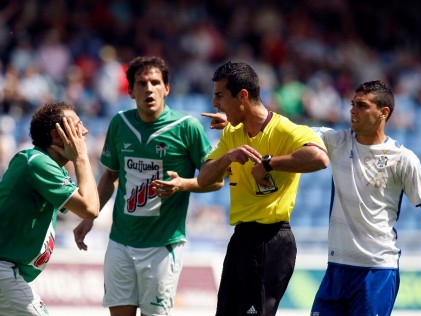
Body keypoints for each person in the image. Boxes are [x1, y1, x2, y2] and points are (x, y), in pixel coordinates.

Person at [204, 80, 421, 316]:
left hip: (376, 270)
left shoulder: (403, 159)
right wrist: (235, 121)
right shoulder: (336, 140)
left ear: (383, 112)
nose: (352, 110)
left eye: (362, 106)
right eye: (352, 104)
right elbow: (283, 129)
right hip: (336, 268)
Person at [72, 56, 223, 316]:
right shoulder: (120, 123)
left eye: (155, 82)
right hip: (120, 241)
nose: (148, 89)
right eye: (141, 83)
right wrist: (90, 216)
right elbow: (110, 175)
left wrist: (182, 185)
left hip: (162, 246)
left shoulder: (186, 127)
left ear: (167, 89)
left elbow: (216, 180)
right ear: (130, 91)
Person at [197, 61, 330, 316]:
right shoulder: (232, 134)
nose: (215, 104)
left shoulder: (284, 129)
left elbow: (320, 159)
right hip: (241, 240)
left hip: (271, 240)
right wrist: (227, 158)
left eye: (220, 96)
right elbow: (204, 179)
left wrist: (269, 163)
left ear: (243, 96)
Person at [0, 101, 100, 315]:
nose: (85, 131)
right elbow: (90, 208)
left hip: (11, 272)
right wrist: (81, 157)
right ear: (57, 136)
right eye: (77, 125)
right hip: (4, 272)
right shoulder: (37, 163)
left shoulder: (46, 166)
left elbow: (87, 205)